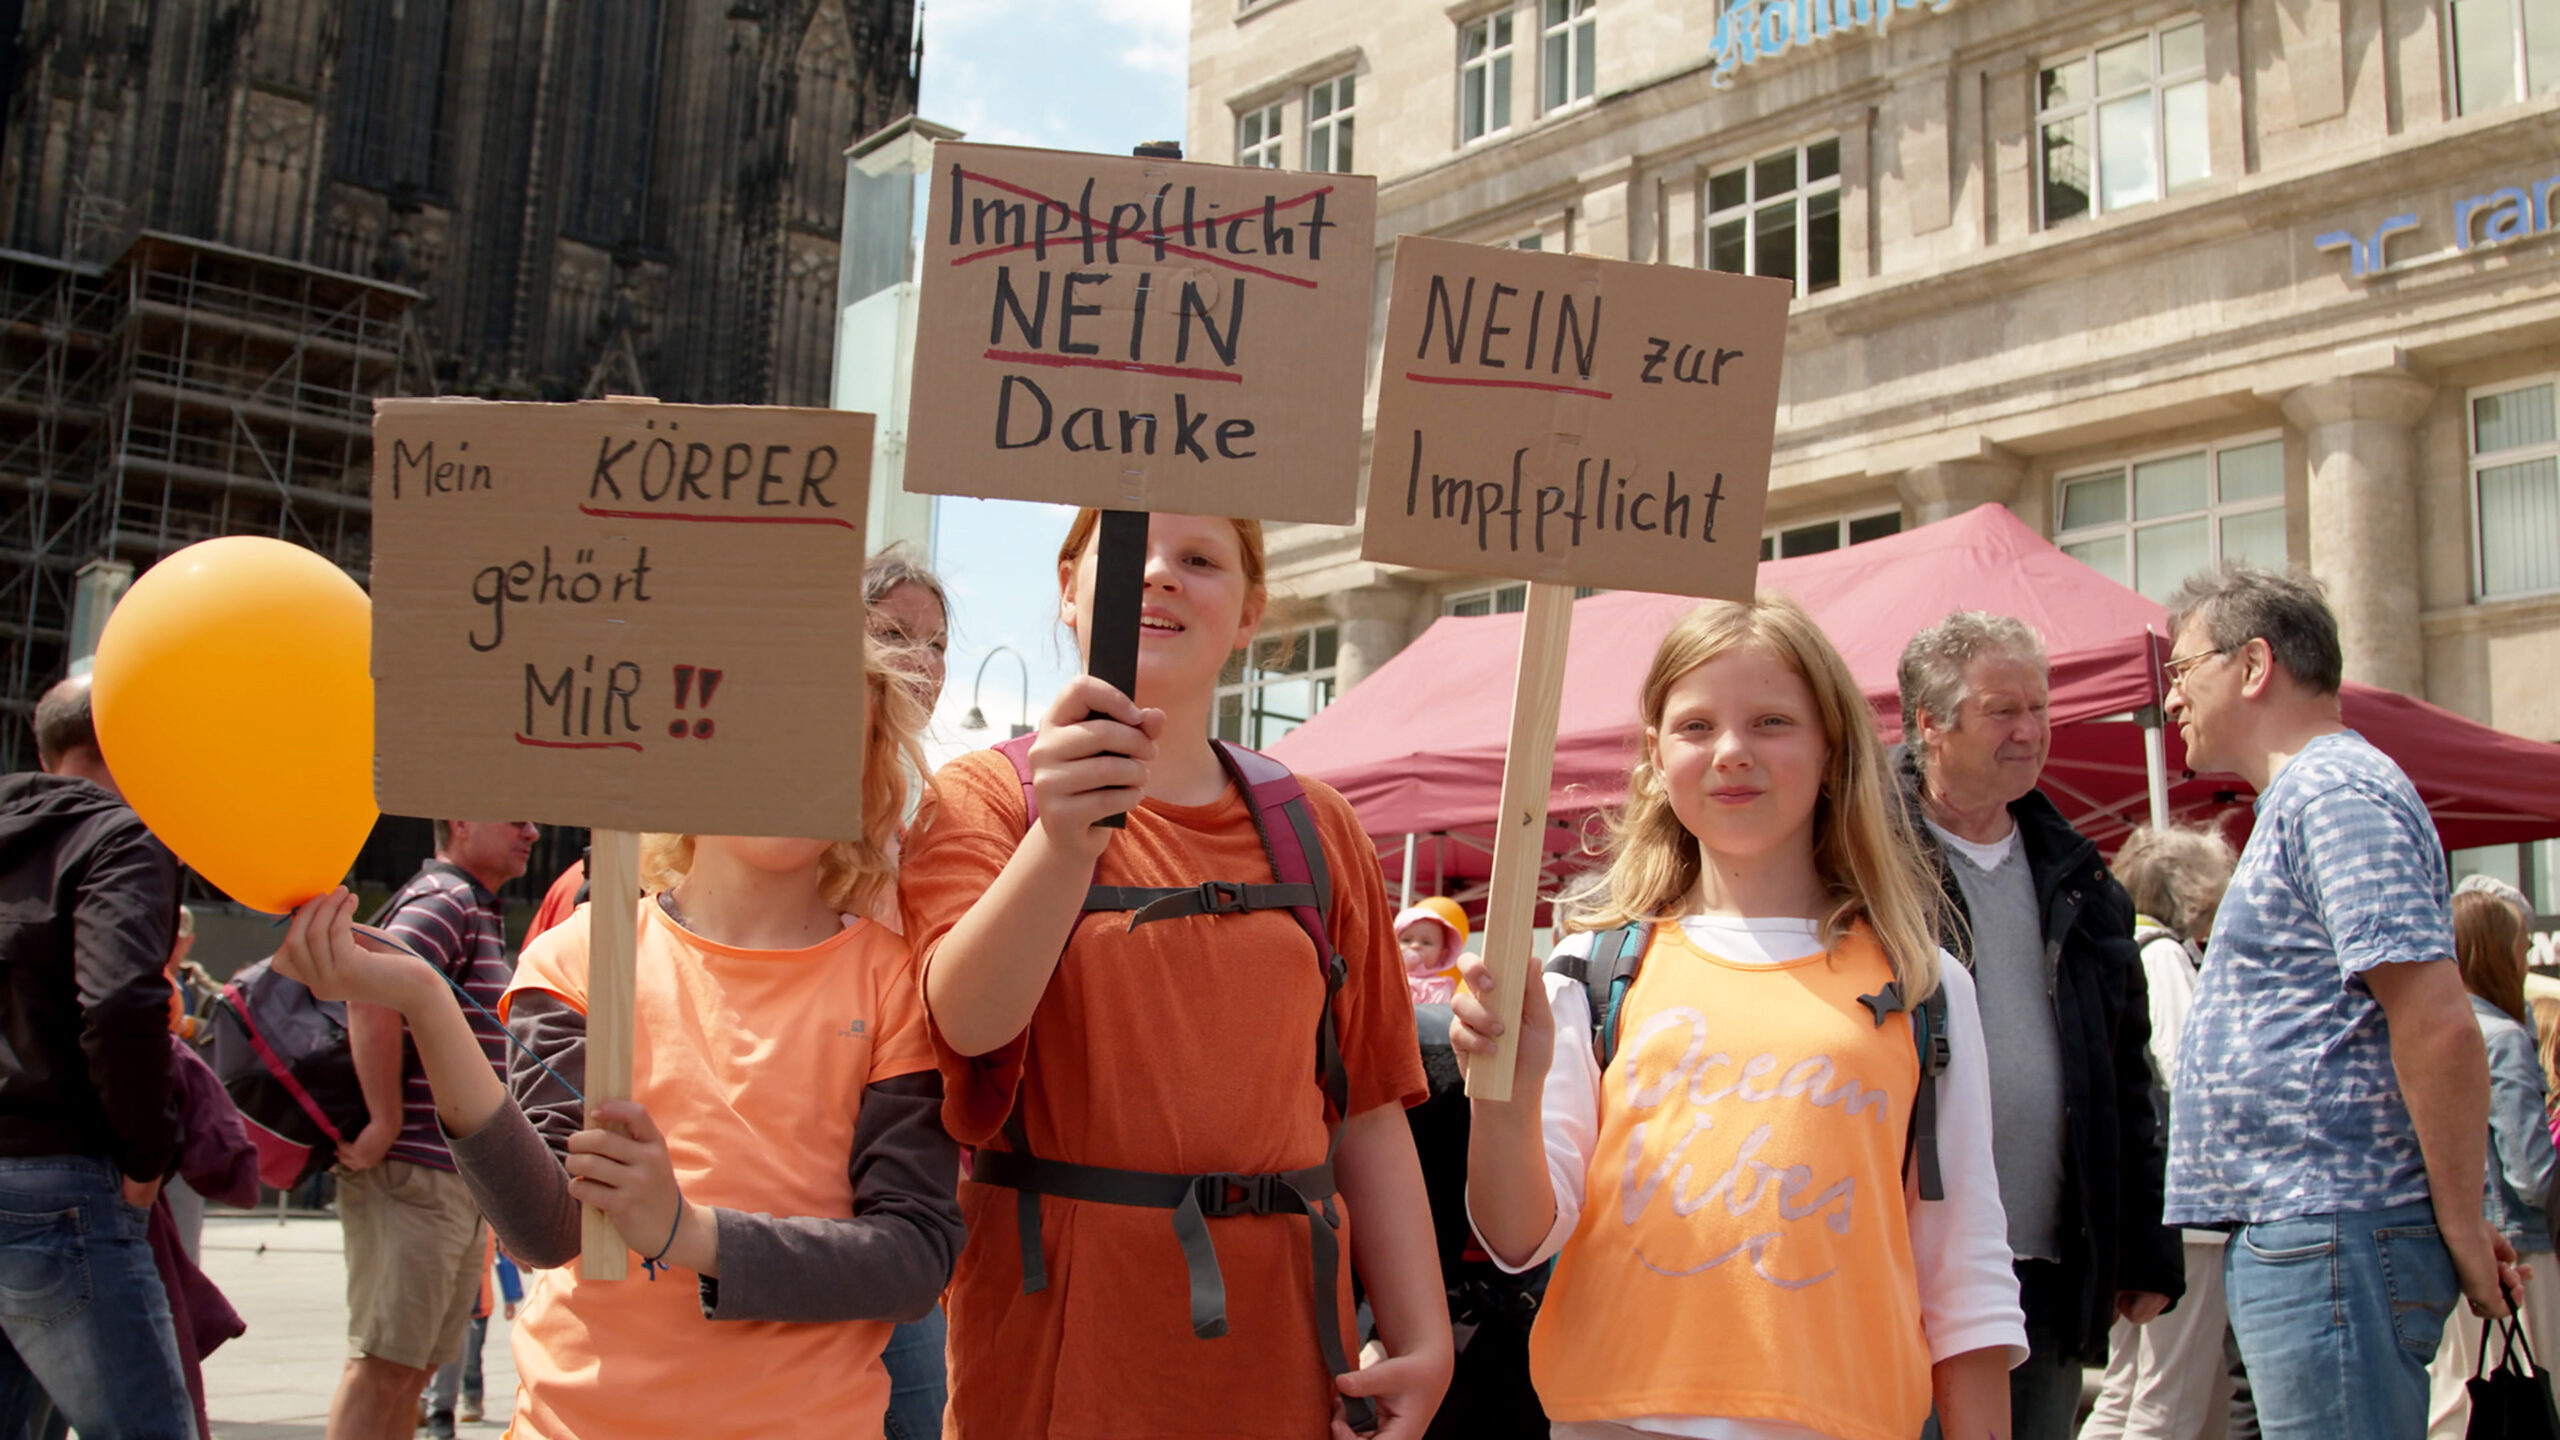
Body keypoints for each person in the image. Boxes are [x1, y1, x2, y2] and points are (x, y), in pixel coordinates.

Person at [272, 641, 963, 1440]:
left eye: (834, 739)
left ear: (869, 775)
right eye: (764, 728)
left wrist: (691, 1234)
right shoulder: (578, 956)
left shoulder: (893, 982)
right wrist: (428, 1004)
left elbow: (913, 1258)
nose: (796, 762)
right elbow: (545, 1232)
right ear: (688, 748)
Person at [901, 510, 1452, 1439]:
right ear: (1068, 588)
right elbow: (964, 1024)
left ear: (1251, 613)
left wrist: (1423, 1339)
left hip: (1284, 1354)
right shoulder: (983, 799)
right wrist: (1061, 844)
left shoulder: (1319, 826)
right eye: (1130, 551)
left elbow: (1368, 1107)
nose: (1159, 576)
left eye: (1199, 559)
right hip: (1054, 1353)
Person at [1453, 594, 2026, 1440]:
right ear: (1655, 756)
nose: (1731, 752)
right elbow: (1517, 1240)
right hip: (1614, 1421)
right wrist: (1503, 1099)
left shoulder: (1924, 984)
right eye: (1696, 726)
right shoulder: (1591, 968)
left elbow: (1964, 1270)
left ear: (1833, 750)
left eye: (1771, 722)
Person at [2162, 563, 2521, 1440]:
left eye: (2183, 670)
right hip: (2315, 1229)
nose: (2171, 698)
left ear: (2254, 665)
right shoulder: (2316, 794)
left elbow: (2436, 1021)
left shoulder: (2334, 792)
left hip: (2332, 1229)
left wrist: (2463, 1221)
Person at [1893, 612, 2182, 1437]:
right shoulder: (1861, 860)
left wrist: (2144, 1245)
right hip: (1900, 1264)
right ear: (1930, 724)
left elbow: (2126, 1074)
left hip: (2044, 1276)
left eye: (2040, 709)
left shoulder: (2081, 879)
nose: (2030, 731)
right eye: (2002, 711)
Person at [0, 675, 193, 1438]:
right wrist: (148, 1152)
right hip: (61, 1181)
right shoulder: (122, 837)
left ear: (46, 746)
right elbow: (117, 1004)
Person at [324, 817, 534, 1440]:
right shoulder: (446, 900)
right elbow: (368, 985)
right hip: (415, 1172)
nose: (531, 830)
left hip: (442, 1173)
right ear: (462, 821)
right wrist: (384, 1119)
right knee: (385, 1366)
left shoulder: (467, 904)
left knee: (409, 1369)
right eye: (515, 817)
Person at [2084, 823, 2247, 1440]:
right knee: (2169, 1397)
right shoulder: (2166, 958)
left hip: (2149, 1204)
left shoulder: (2120, 948)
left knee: (2132, 1388)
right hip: (2187, 1212)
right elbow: (2190, 1076)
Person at [864, 543, 955, 1440]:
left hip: (901, 1169)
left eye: (936, 644)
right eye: (895, 636)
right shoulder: (796, 802)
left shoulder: (938, 808)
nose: (922, 663)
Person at [2428, 888, 2560, 1435]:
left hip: (2454, 1235)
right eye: (2521, 946)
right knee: (2536, 1393)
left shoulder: (2433, 1030)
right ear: (2495, 952)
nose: (2526, 959)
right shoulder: (2502, 1038)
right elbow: (2531, 1175)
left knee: (2457, 1399)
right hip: (2519, 1244)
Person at [1396, 897, 1469, 1006]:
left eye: (1426, 943)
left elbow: (1435, 1015)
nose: (1415, 946)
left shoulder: (1438, 987)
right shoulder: (1385, 979)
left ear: (1443, 955)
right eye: (1406, 940)